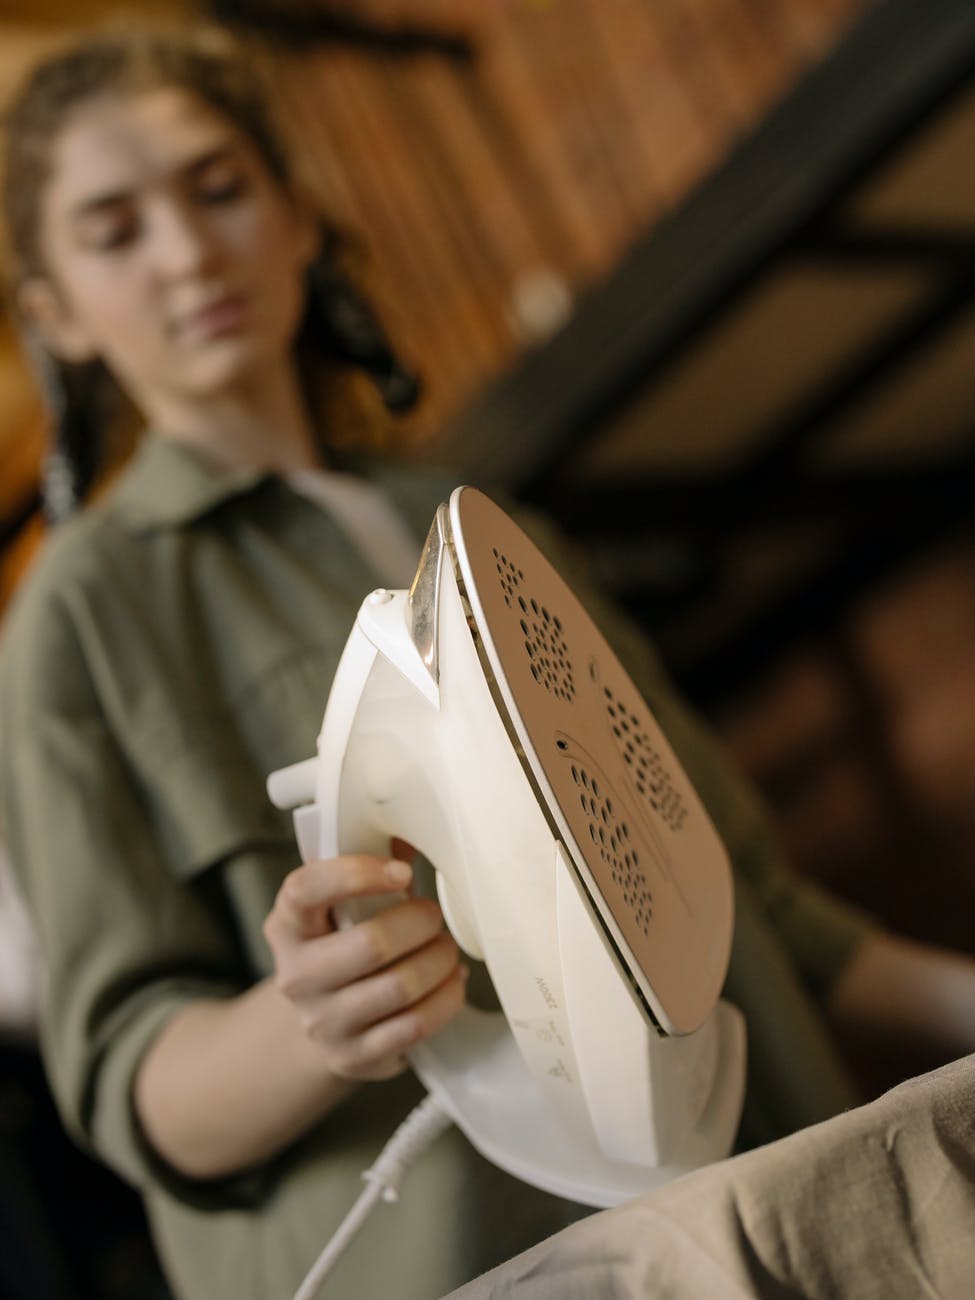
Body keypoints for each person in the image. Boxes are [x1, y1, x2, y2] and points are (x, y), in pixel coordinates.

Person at [2, 22, 974, 1300]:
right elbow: (135, 1088)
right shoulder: (84, 613)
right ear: (54, 313)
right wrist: (311, 1019)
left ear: (299, 218)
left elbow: (749, 906)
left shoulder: (494, 529)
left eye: (220, 187)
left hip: (773, 1204)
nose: (188, 251)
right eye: (115, 229)